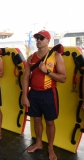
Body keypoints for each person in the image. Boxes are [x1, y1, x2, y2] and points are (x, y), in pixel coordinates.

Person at [22, 30, 66, 160]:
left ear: (48, 40)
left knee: (50, 122)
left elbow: (63, 78)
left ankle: (50, 147)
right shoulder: (31, 58)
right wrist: (24, 95)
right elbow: (25, 78)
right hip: (34, 94)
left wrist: (46, 71)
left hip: (49, 94)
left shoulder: (56, 56)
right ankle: (39, 143)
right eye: (37, 38)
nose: (38, 40)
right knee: (36, 120)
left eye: (41, 38)